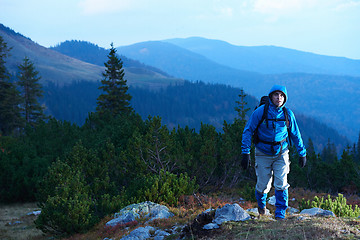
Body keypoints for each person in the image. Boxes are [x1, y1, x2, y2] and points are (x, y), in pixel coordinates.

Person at [241, 85, 306, 220]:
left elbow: (295, 134)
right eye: (276, 95)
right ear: (271, 96)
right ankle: (261, 208)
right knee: (263, 185)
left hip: (281, 152)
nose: (279, 98)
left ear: (285, 98)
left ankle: (280, 215)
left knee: (281, 183)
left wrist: (302, 153)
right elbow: (248, 131)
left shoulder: (288, 114)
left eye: (282, 95)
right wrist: (245, 152)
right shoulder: (260, 112)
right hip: (262, 152)